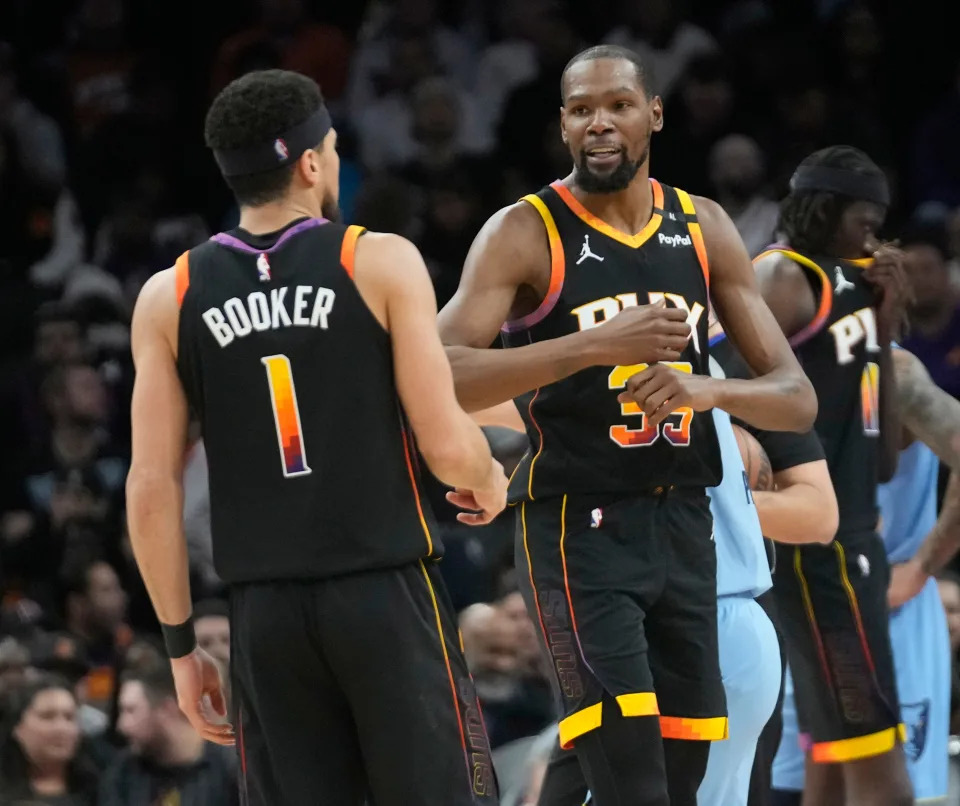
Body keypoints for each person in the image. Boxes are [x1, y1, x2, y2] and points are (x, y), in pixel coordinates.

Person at [438, 44, 816, 806]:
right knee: (629, 776)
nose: (599, 124)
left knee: (681, 778)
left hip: (684, 527)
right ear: (564, 125)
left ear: (655, 114)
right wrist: (595, 346)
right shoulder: (524, 230)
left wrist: (706, 390)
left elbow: (793, 397)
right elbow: (434, 365)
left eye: (616, 105)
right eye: (581, 110)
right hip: (578, 530)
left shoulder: (703, 226)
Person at [125, 69, 507, 806]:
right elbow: (447, 446)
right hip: (383, 594)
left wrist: (180, 648)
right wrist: (488, 477)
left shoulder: (168, 295)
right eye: (330, 149)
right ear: (310, 161)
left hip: (265, 617)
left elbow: (150, 487)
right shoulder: (377, 259)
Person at [754, 145, 913, 806]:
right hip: (816, 550)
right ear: (825, 210)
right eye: (863, 220)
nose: (872, 237)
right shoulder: (782, 277)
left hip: (853, 535)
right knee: (884, 778)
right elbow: (732, 391)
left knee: (830, 757)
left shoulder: (853, 283)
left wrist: (885, 317)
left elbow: (885, 445)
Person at [772, 347, 960, 805]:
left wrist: (921, 566)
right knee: (787, 788)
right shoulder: (770, 368)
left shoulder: (894, 373)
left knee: (885, 788)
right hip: (800, 608)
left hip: (885, 608)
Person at [101, 664, 238, 806]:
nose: (122, 726)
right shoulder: (123, 772)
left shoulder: (230, 768)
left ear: (167, 709)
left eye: (131, 711)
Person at [0, 674, 100, 805]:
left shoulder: (103, 786)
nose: (61, 728)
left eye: (69, 717)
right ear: (17, 727)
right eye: (47, 717)